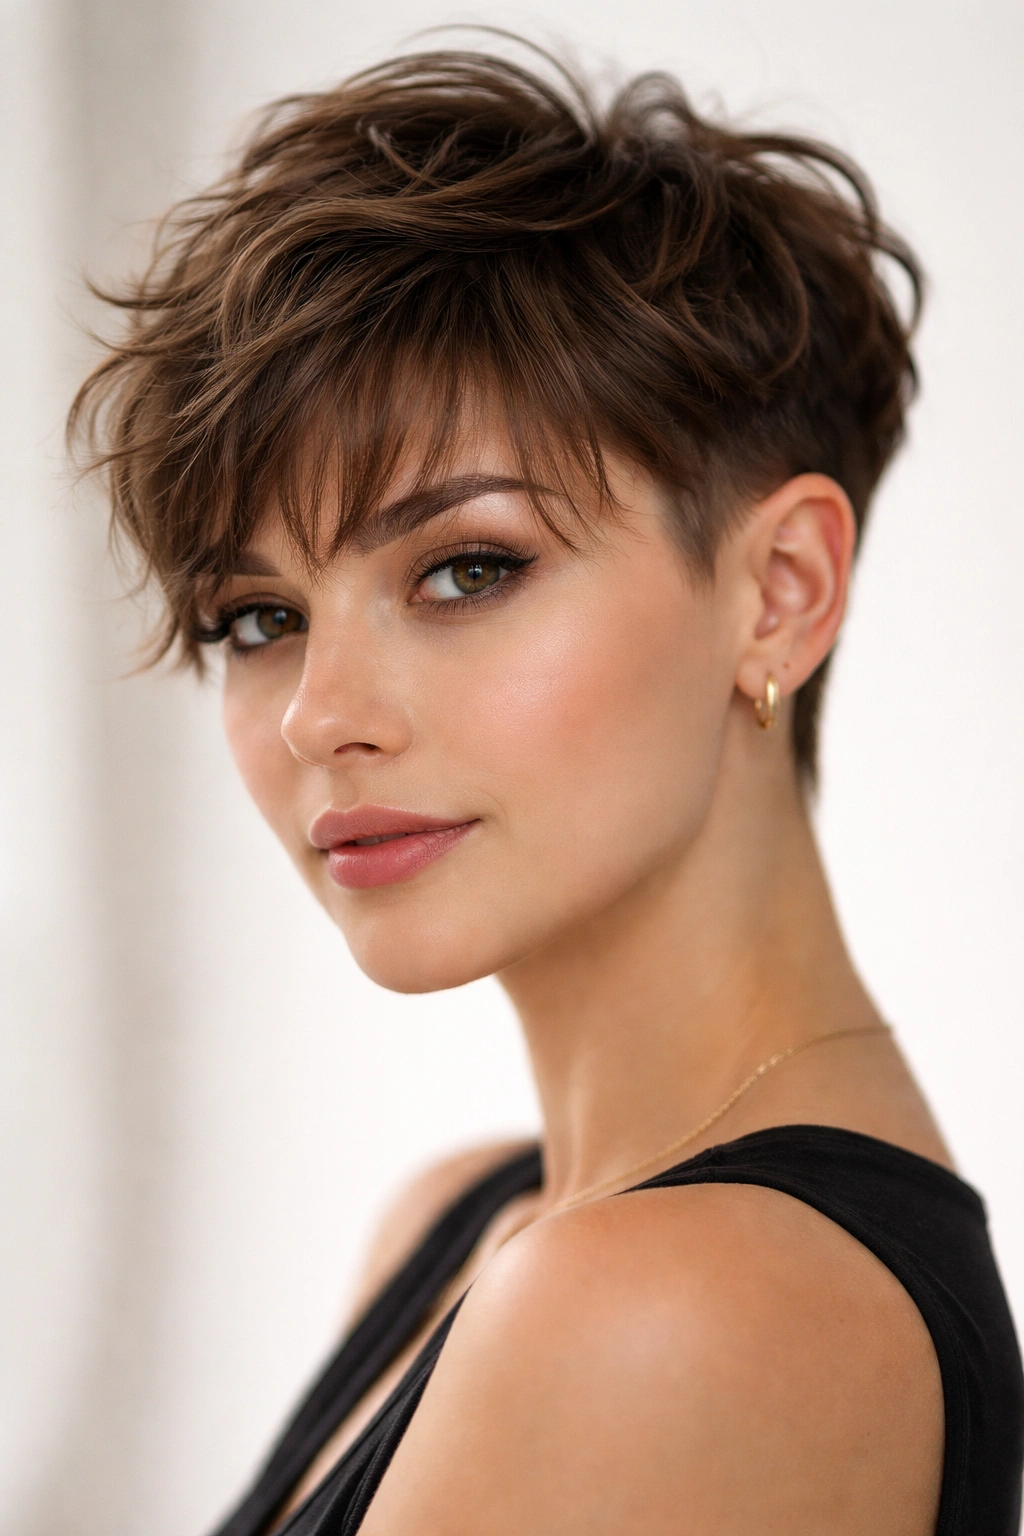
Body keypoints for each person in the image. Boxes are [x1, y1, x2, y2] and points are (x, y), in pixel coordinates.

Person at [70, 42, 1023, 1536]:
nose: (322, 714)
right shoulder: (469, 1227)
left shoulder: (677, 1312)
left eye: (468, 568)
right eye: (257, 616)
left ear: (779, 590)